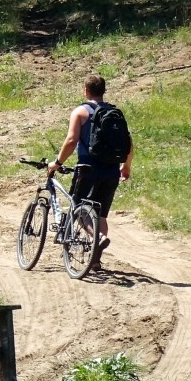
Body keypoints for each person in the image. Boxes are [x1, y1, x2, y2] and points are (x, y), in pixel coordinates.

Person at [49, 74, 133, 260]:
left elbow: (71, 140)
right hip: (111, 170)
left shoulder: (80, 112)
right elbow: (128, 142)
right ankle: (95, 260)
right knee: (100, 215)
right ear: (103, 91)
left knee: (77, 207)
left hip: (88, 168)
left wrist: (57, 163)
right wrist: (126, 166)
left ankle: (98, 237)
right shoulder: (114, 113)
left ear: (86, 90)